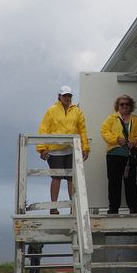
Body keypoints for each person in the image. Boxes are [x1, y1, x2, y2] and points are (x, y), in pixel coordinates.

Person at [37, 86, 90, 214]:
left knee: (71, 178)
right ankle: (54, 207)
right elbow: (43, 129)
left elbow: (82, 130)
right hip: (54, 150)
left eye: (69, 96)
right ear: (59, 96)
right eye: (65, 95)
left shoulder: (77, 111)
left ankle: (73, 207)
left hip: (71, 149)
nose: (67, 98)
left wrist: (85, 148)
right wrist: (42, 148)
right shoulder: (51, 110)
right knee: (56, 178)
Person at [100, 94, 137, 214]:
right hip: (113, 155)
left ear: (131, 106)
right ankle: (113, 208)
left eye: (127, 104)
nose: (124, 106)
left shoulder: (136, 120)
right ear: (118, 106)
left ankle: (133, 208)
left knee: (131, 183)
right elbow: (104, 132)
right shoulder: (111, 119)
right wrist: (117, 139)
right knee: (114, 182)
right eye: (122, 104)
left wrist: (136, 141)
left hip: (129, 157)